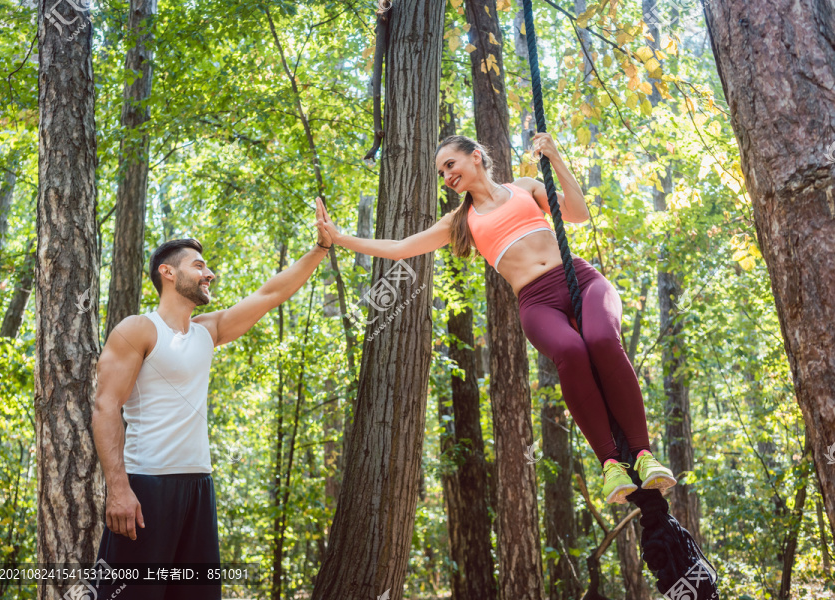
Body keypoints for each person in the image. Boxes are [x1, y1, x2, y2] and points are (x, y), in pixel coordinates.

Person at [315, 133, 676, 506]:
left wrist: (555, 156)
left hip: (580, 280)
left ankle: (644, 455)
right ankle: (611, 464)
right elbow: (400, 248)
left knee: (601, 340)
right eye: (441, 173)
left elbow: (578, 214)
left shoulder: (525, 188)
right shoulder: (460, 221)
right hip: (537, 302)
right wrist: (340, 238)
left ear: (475, 157)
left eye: (450, 165)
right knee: (570, 350)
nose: (446, 177)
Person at [90, 205, 334, 599]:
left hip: (199, 485)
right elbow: (105, 408)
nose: (209, 273)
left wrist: (321, 248)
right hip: (147, 486)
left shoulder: (208, 331)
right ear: (167, 273)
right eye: (199, 266)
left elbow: (270, 294)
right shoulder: (138, 329)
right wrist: (118, 488)